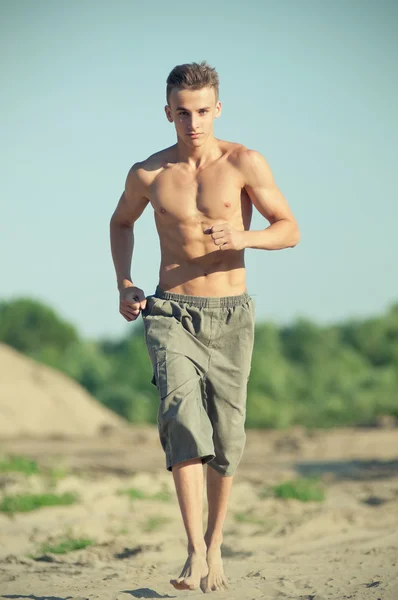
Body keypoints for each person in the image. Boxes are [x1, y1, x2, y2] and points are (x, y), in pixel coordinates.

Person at [110, 61, 300, 593]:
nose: (192, 123)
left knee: (227, 439)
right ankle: (194, 551)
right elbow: (120, 222)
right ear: (167, 112)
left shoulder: (244, 162)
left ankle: (216, 546)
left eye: (202, 112)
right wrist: (125, 283)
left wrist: (243, 237)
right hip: (171, 311)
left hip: (230, 316)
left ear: (217, 109)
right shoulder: (147, 173)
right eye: (182, 113)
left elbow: (288, 229)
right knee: (182, 423)